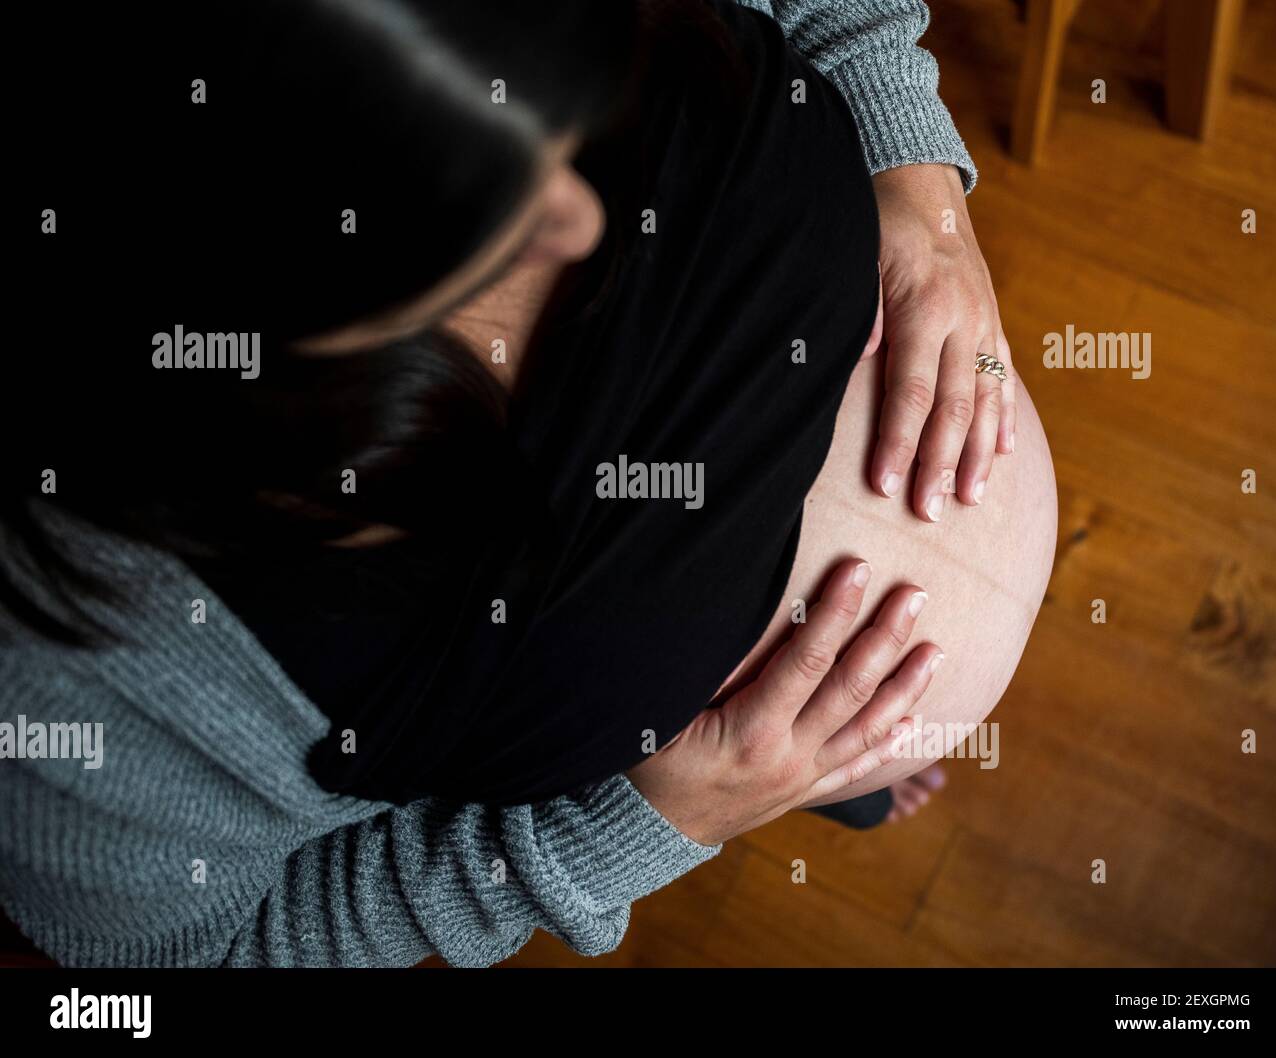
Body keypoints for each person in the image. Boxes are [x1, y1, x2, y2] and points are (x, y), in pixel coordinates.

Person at [0, 0, 1054, 967]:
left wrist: (914, 180)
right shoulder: (68, 681)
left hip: (709, 708)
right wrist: (630, 830)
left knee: (833, 753)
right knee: (802, 754)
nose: (579, 221)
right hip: (654, 757)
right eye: (487, 215)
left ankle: (843, 776)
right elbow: (193, 962)